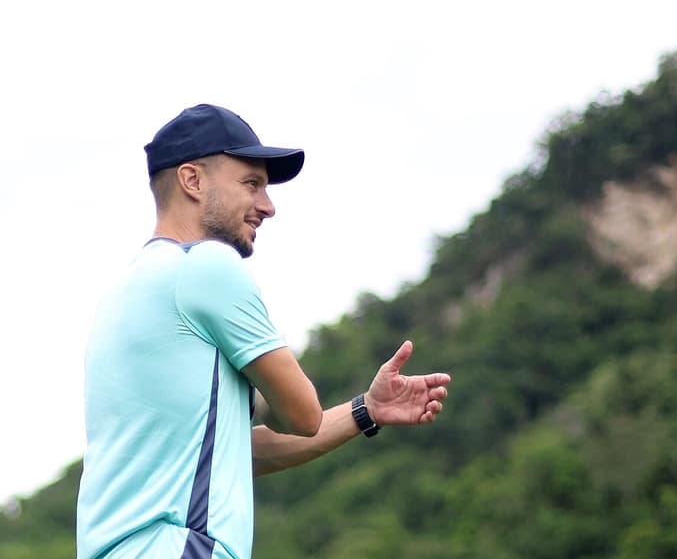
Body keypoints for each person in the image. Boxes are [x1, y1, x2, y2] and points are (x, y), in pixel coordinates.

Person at [76, 104, 451, 559]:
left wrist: (365, 410)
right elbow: (302, 416)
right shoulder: (207, 266)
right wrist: (268, 396)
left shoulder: (123, 296)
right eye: (251, 184)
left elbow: (232, 454)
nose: (268, 207)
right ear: (192, 180)